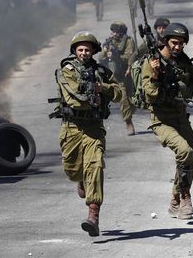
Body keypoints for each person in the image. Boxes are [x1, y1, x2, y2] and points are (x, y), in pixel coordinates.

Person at [141, 23, 193, 220]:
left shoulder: (183, 61)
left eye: (181, 44)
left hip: (180, 116)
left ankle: (175, 200)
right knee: (185, 151)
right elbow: (150, 95)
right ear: (166, 41)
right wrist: (156, 75)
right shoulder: (152, 62)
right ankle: (185, 197)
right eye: (174, 43)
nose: (178, 47)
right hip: (161, 119)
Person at [55, 31, 122, 237]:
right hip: (72, 128)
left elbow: (118, 93)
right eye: (80, 49)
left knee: (95, 167)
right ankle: (81, 179)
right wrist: (91, 95)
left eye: (87, 49)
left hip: (93, 128)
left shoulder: (101, 71)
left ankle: (93, 215)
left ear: (93, 51)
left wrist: (104, 89)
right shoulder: (65, 71)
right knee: (73, 170)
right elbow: (74, 96)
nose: (84, 53)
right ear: (75, 51)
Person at [98, 21, 136, 135]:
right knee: (124, 98)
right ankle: (128, 122)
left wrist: (116, 55)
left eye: (116, 32)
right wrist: (105, 52)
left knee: (132, 100)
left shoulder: (128, 41)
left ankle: (130, 112)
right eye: (113, 31)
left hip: (129, 74)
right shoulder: (109, 42)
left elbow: (129, 57)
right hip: (117, 76)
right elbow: (100, 58)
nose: (114, 34)